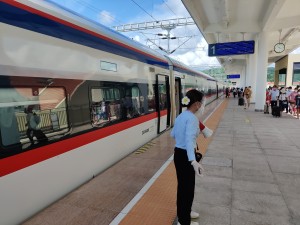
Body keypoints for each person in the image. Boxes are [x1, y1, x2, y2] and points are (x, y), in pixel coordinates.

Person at [171, 89, 204, 225]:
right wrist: (193, 161)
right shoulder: (192, 119)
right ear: (196, 104)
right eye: (201, 103)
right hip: (186, 157)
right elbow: (190, 141)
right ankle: (184, 221)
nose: (201, 106)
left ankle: (185, 213)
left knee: (182, 188)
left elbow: (172, 134)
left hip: (178, 153)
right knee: (188, 189)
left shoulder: (181, 116)